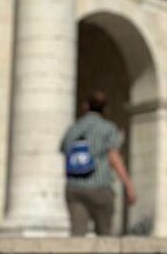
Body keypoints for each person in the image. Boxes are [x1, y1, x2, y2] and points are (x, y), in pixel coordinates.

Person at [60, 90, 136, 236]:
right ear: (105, 109)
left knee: (77, 236)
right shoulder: (108, 128)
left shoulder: (72, 129)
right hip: (100, 188)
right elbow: (114, 157)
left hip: (74, 188)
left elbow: (64, 150)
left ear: (85, 106)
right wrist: (128, 185)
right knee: (104, 234)